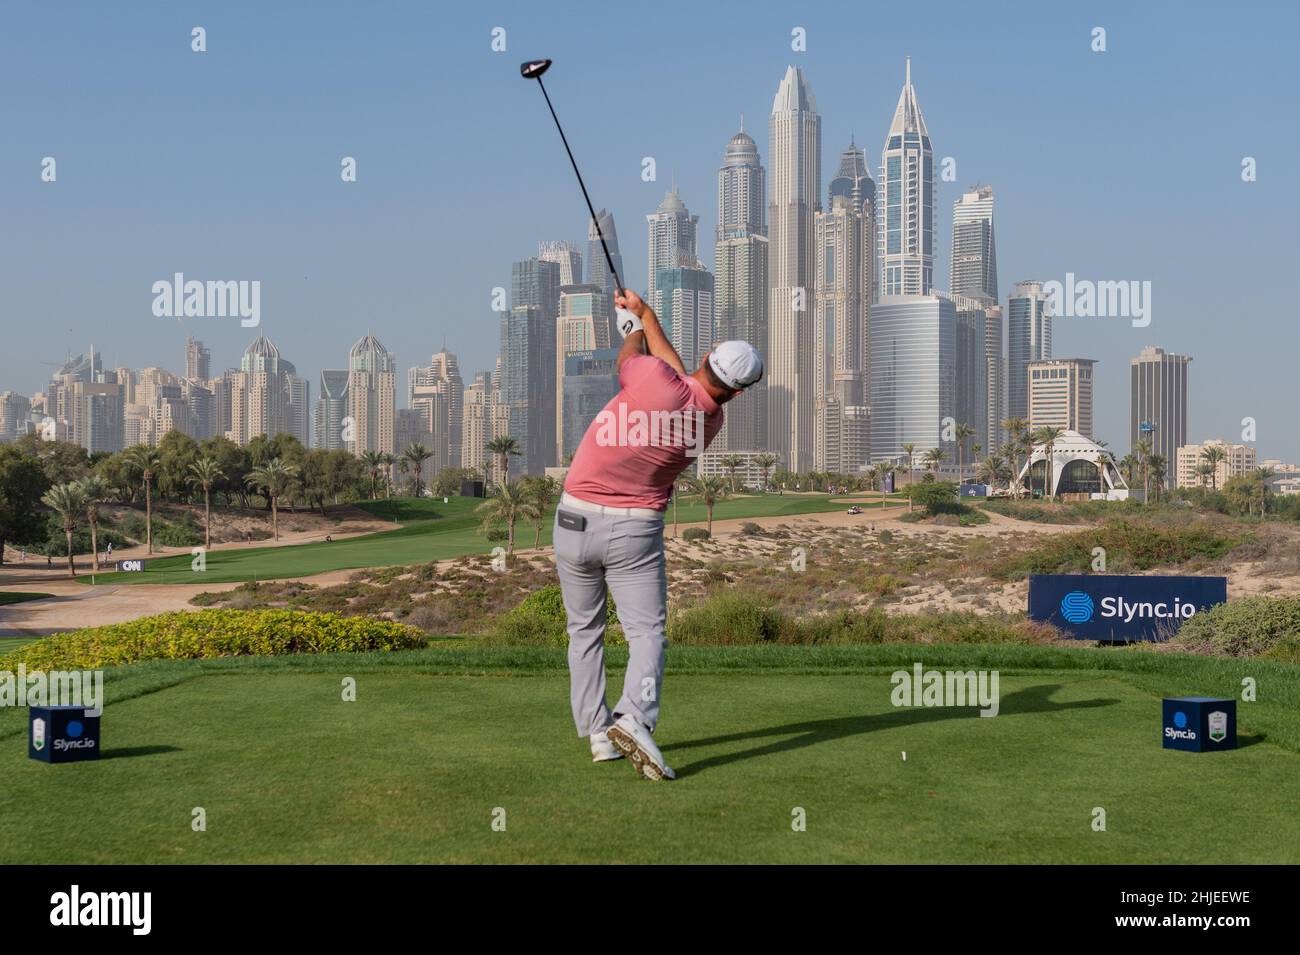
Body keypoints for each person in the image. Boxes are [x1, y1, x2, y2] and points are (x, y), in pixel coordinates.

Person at [554, 288, 763, 780]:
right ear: (738, 392)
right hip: (633, 533)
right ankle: (635, 718)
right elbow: (682, 378)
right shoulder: (709, 419)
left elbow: (636, 361)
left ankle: (599, 735)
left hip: (572, 520)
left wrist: (631, 331)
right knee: (646, 633)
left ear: (708, 354)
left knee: (584, 632)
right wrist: (646, 315)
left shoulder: (651, 377)